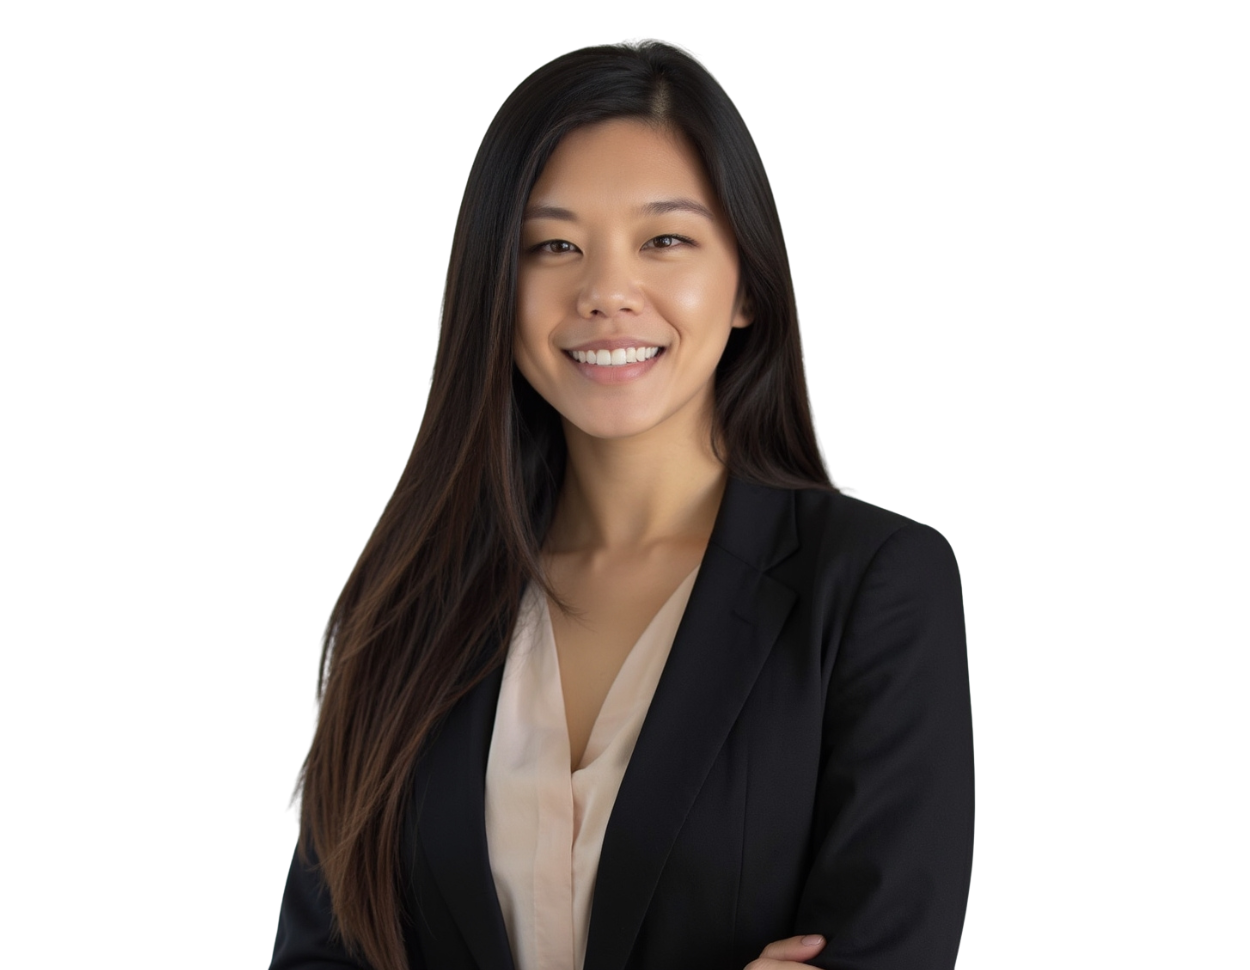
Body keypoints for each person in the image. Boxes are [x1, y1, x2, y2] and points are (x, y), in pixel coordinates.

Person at [271, 37, 972, 970]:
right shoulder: (399, 607)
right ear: (498, 290)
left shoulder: (876, 585)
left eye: (665, 240)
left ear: (749, 287)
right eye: (553, 245)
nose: (605, 292)